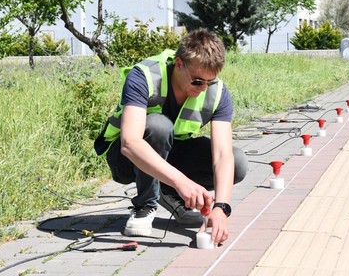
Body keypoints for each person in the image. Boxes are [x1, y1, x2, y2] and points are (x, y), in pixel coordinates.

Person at [94, 28, 247, 245]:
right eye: (197, 81)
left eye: (209, 82)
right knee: (158, 126)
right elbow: (130, 143)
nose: (203, 88)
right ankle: (145, 207)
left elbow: (223, 155)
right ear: (178, 64)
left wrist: (221, 208)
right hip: (126, 160)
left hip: (172, 155)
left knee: (238, 162)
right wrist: (181, 182)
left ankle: (168, 194)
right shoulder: (144, 75)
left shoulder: (219, 93)